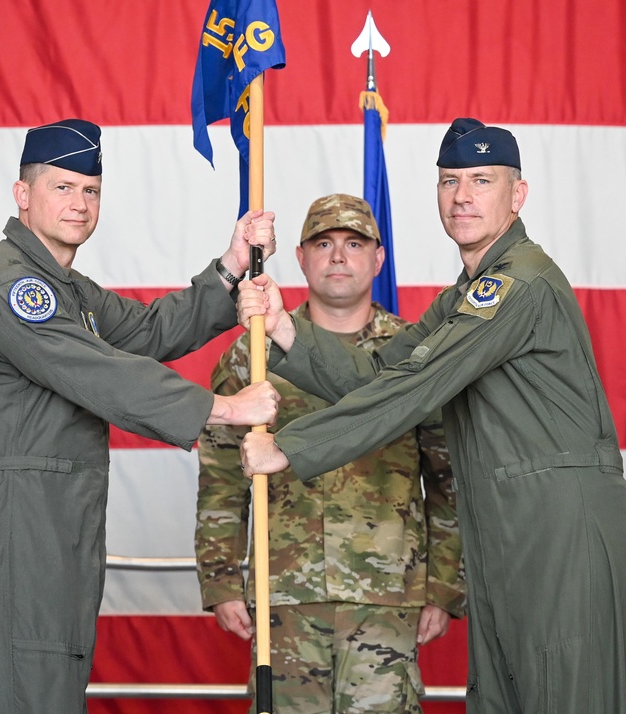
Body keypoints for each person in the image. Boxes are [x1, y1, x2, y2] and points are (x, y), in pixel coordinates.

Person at [237, 118, 626, 714]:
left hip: (559, 525)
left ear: (517, 194)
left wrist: (290, 448)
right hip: (508, 526)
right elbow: (380, 370)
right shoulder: (466, 293)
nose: (463, 197)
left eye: (482, 180)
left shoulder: (517, 283)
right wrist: (284, 328)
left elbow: (418, 385)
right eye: (450, 181)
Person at [0, 118, 281, 713]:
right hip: (22, 520)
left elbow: (145, 332)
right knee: (29, 694)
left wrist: (228, 268)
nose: (79, 204)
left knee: (50, 687)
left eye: (90, 190)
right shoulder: (14, 291)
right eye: (63, 188)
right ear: (23, 195)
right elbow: (102, 374)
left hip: (55, 516)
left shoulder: (65, 289)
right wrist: (223, 407)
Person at [195, 194, 466, 713]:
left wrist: (443, 586)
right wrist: (222, 579)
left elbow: (448, 479)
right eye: (324, 243)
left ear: (378, 259)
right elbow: (223, 479)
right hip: (284, 595)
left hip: (387, 593)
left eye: (354, 243)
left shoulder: (415, 355)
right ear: (300, 257)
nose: (338, 256)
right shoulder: (253, 351)